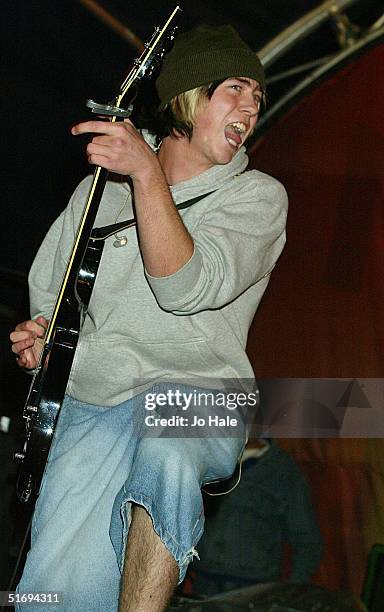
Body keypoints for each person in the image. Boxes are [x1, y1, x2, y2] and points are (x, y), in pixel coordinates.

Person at [10, 24, 288, 612]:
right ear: (187, 96)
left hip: (202, 392)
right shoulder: (96, 193)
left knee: (168, 445)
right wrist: (43, 337)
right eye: (235, 88)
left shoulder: (257, 197)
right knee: (51, 592)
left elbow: (184, 287)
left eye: (257, 97)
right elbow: (53, 295)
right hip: (96, 398)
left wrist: (146, 173)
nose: (251, 106)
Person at [189, 438, 323, 597]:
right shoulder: (211, 459)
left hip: (252, 589)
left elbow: (308, 540)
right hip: (203, 584)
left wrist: (291, 591)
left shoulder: (284, 471)